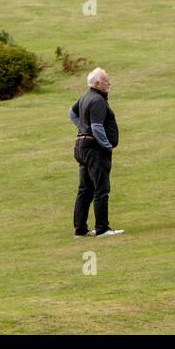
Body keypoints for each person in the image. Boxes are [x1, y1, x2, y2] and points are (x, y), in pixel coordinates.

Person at [70, 68, 124, 237]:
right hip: (94, 150)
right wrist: (107, 145)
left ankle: (80, 229)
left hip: (81, 147)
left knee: (85, 189)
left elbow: (71, 113)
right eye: (106, 80)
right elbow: (97, 126)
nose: (109, 83)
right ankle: (102, 228)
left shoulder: (85, 96)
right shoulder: (98, 100)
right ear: (97, 83)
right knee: (101, 188)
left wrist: (81, 127)